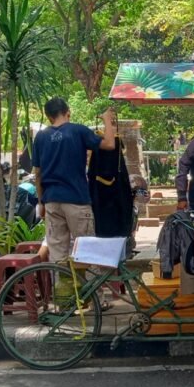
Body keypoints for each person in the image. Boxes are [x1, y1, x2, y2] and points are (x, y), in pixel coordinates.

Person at [32, 97, 116, 263]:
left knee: (57, 254)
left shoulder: (40, 137)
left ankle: (62, 288)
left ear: (49, 116)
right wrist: (107, 120)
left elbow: (38, 174)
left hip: (52, 201)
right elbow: (109, 144)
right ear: (67, 112)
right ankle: (89, 288)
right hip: (76, 200)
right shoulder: (78, 131)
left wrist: (41, 202)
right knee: (87, 250)